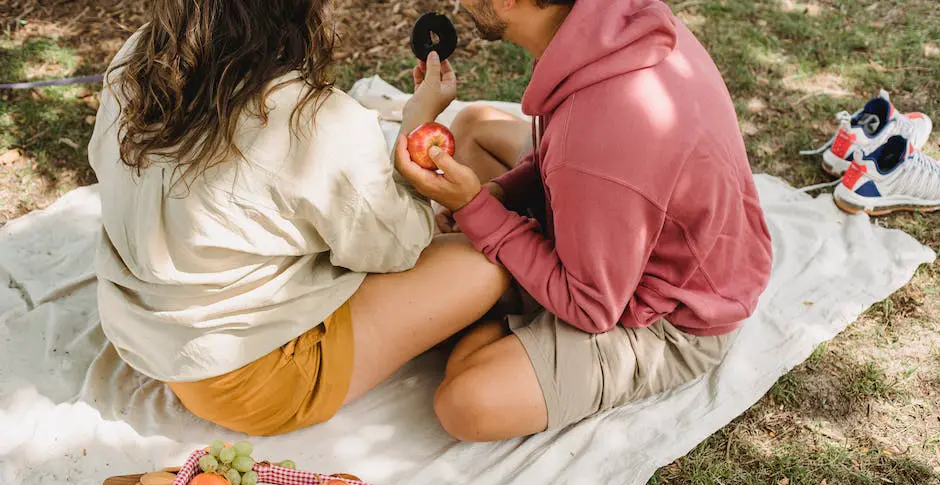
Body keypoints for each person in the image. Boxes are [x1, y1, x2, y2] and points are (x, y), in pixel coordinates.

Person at [88, 0, 508, 436]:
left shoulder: (138, 56)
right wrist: (416, 123)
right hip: (250, 379)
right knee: (488, 262)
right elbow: (398, 246)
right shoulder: (312, 120)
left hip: (151, 336)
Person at [396, 0, 774, 441]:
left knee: (465, 400)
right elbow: (561, 156)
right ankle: (519, 296)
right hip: (623, 225)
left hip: (673, 317)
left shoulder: (598, 134)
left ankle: (515, 312)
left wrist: (476, 209)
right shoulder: (604, 23)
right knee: (475, 126)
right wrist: (497, 194)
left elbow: (590, 306)